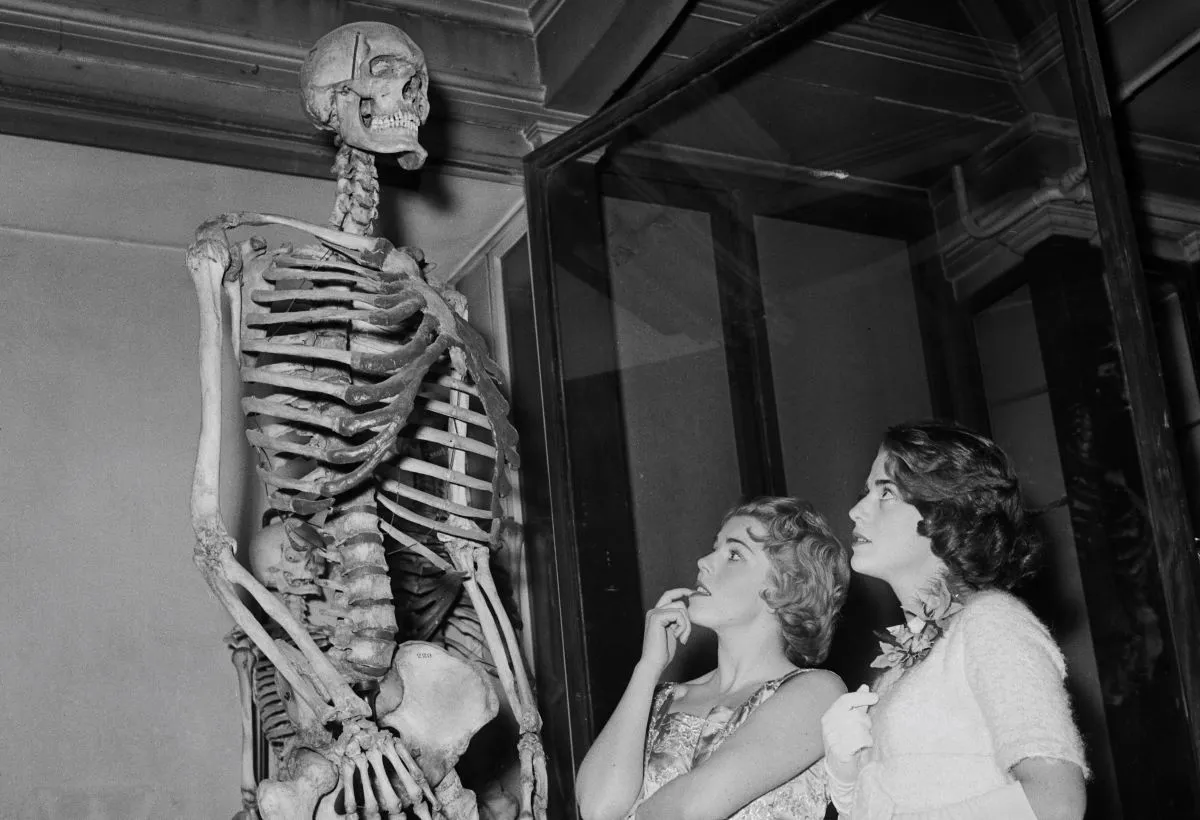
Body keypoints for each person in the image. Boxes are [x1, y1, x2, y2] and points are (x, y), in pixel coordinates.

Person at [821, 420, 1088, 820]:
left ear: (946, 513)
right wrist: (846, 780)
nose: (856, 509)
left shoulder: (993, 622)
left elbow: (1056, 802)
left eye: (886, 493)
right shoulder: (905, 659)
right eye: (866, 492)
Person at [576, 496, 851, 820]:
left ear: (786, 587)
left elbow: (690, 809)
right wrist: (647, 668)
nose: (704, 562)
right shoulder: (661, 698)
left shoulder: (818, 692)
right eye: (714, 548)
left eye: (733, 554)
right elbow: (597, 808)